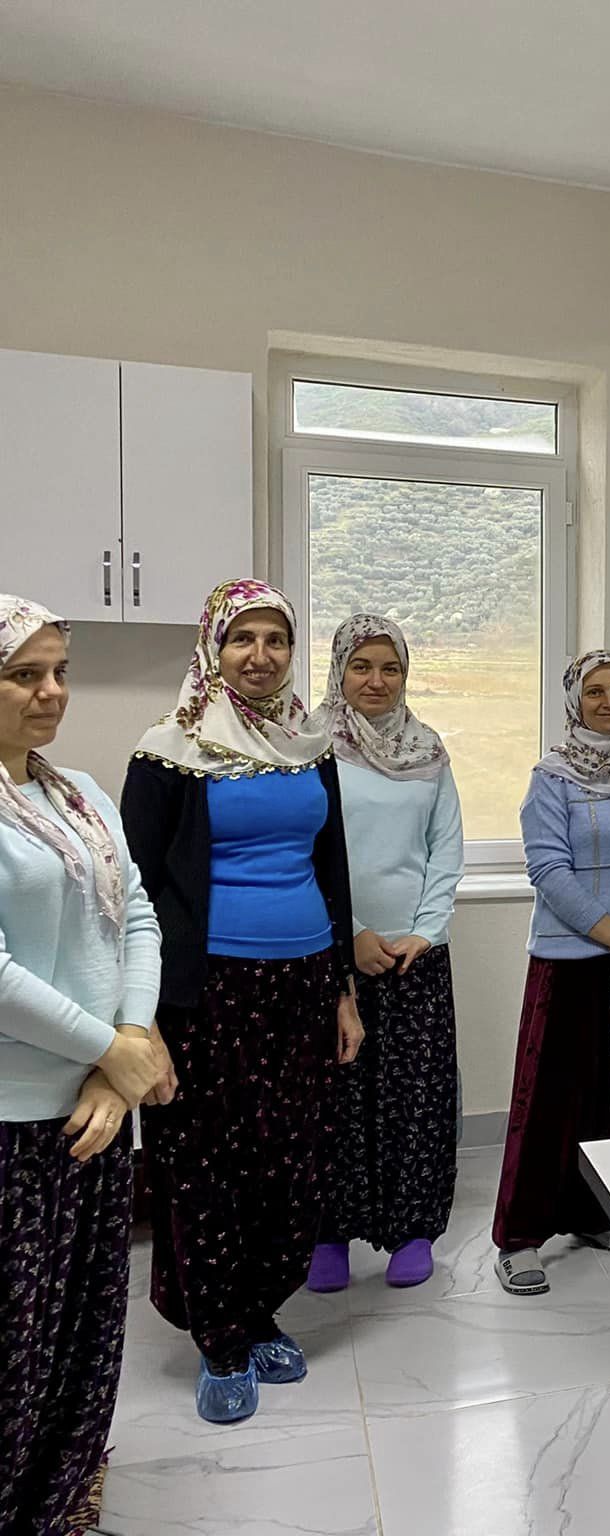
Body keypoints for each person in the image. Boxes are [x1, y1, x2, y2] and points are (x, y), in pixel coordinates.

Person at [122, 579, 362, 1424]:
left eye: (276, 640)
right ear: (212, 648)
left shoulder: (309, 743)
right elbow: (135, 889)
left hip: (303, 983)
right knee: (205, 1163)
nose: (260, 656)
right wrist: (142, 1018)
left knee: (290, 1161)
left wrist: (344, 991)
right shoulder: (169, 749)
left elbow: (332, 869)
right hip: (206, 991)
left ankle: (259, 1310)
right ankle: (219, 1337)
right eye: (242, 639)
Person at [0, 595, 171, 1534]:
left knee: (85, 1327)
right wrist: (111, 1049)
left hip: (100, 1107)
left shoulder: (79, 795)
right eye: (24, 674)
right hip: (15, 1117)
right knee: (15, 1346)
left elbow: (135, 915)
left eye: (60, 671)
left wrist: (123, 1053)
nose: (52, 692)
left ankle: (63, 1499)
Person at [304, 616, 463, 1291]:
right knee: (333, 1098)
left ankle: (413, 1230)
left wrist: (424, 931)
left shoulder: (428, 750)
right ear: (338, 669)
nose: (376, 680)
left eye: (389, 667)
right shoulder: (310, 745)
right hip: (334, 951)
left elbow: (445, 847)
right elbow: (306, 850)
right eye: (361, 666)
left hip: (417, 955)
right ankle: (328, 1234)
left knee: (416, 1098)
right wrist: (354, 933)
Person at [492, 650, 610, 1297]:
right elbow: (548, 870)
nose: (608, 702)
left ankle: (592, 1214)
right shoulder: (550, 776)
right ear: (574, 702)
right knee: (548, 1101)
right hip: (569, 957)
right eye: (594, 692)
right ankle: (519, 1237)